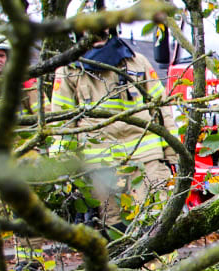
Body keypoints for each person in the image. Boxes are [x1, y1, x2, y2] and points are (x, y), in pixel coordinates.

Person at [48, 35, 175, 227]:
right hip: (99, 163)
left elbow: (162, 107)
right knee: (113, 226)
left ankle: (160, 259)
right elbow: (62, 122)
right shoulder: (68, 70)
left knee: (155, 219)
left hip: (145, 157)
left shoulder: (137, 61)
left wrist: (173, 154)